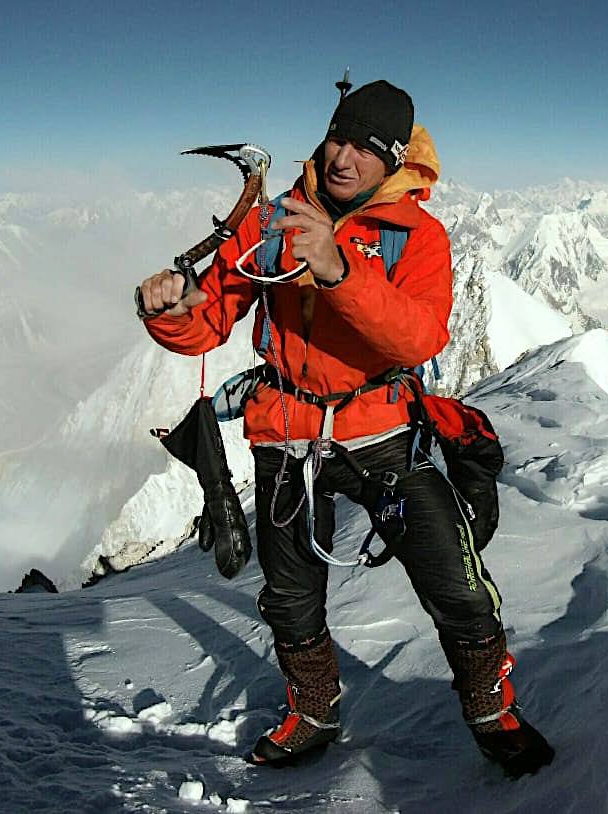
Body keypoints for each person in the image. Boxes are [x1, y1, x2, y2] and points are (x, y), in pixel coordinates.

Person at [138, 80, 553, 778]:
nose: (344, 157)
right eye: (339, 137)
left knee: (455, 582)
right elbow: (210, 320)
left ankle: (490, 710)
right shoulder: (270, 222)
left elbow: (417, 339)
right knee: (290, 596)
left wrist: (337, 268)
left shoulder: (417, 237)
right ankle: (314, 711)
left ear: (394, 160)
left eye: (366, 147)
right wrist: (170, 309)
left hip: (382, 428)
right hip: (286, 433)